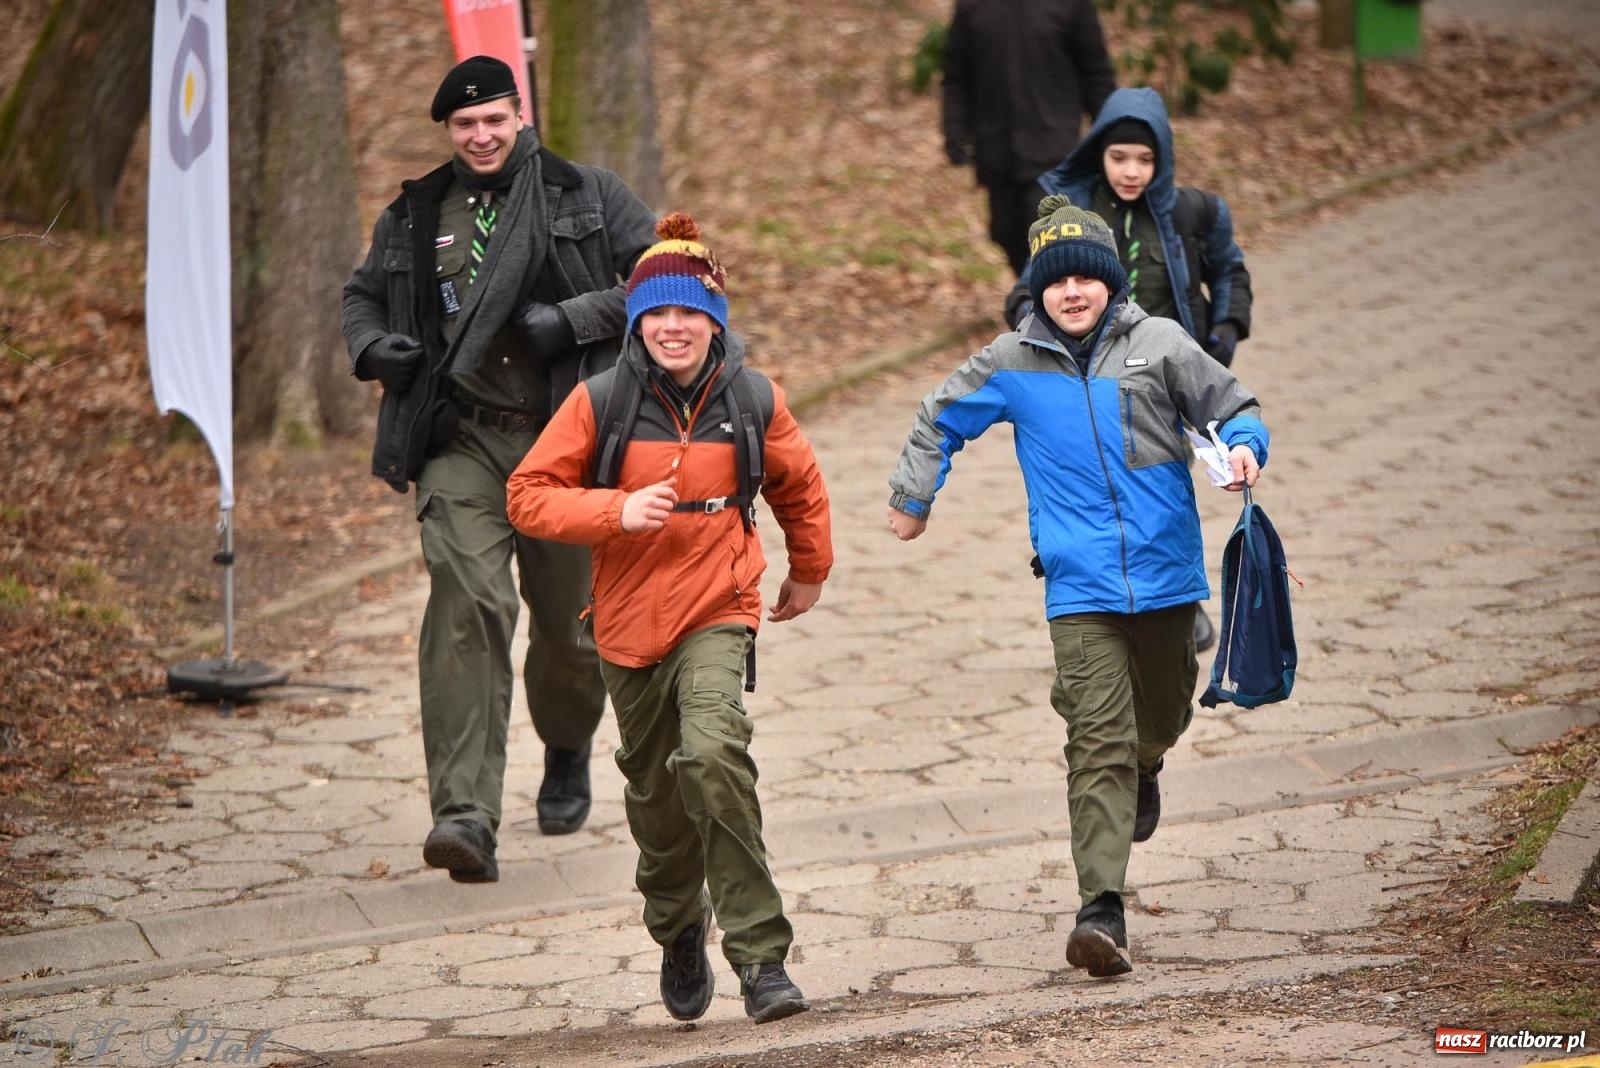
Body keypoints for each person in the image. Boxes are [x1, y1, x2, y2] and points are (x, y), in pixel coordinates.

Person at [884, 199, 1268, 978]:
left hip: (1168, 579)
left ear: (1109, 284)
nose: (1073, 293)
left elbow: (1232, 408)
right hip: (1076, 586)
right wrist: (913, 497)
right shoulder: (1011, 363)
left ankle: (1149, 763)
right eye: (1057, 283)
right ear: (1039, 292)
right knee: (1096, 740)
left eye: (1087, 279)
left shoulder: (1160, 344)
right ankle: (1102, 910)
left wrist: (1247, 452)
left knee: (1160, 713)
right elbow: (938, 417)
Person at [505, 213, 833, 1024]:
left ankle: (761, 958)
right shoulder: (600, 401)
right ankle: (679, 926)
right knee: (656, 796)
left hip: (718, 603)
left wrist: (810, 570)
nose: (674, 327)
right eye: (658, 313)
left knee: (715, 753)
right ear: (638, 321)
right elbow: (527, 494)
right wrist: (615, 511)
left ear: (714, 319)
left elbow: (799, 485)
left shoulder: (753, 397)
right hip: (622, 620)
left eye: (690, 312)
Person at [341, 55, 658, 882]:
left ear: (522, 115)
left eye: (494, 119)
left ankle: (565, 743)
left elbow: (668, 281)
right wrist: (375, 349)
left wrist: (570, 319)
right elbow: (361, 297)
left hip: (567, 446)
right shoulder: (414, 214)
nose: (480, 135)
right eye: (463, 124)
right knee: (466, 603)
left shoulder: (586, 194)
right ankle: (465, 814)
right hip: (461, 440)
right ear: (447, 131)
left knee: (569, 633)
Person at [1005, 85, 1255, 652]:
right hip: (1083, 379)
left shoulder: (1191, 212)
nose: (1131, 171)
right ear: (1098, 153)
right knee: (1092, 493)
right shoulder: (1073, 218)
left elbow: (1230, 272)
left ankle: (1177, 602)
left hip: (1163, 376)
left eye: (1145, 159)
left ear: (1162, 159)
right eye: (1119, 157)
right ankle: (1092, 613)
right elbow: (1026, 291)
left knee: (1162, 486)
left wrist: (1225, 330)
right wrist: (1039, 337)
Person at [940, 0, 1116, 277]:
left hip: (1055, 149)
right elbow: (957, 76)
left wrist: (1111, 131)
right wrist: (955, 130)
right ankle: (1033, 298)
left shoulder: (1072, 5)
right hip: (996, 149)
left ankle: (1048, 306)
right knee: (1005, 231)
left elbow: (1096, 72)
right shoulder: (972, 6)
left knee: (1049, 234)